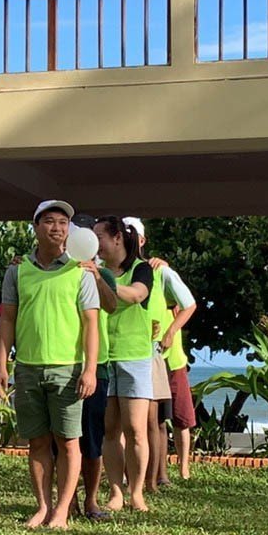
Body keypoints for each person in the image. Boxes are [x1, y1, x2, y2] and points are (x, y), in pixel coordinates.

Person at [0, 200, 101, 529]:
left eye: (63, 223)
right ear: (36, 227)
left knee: (68, 441)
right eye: (50, 221)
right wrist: (1, 365)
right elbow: (7, 320)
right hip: (28, 367)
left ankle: (62, 511)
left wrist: (90, 369)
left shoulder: (81, 271)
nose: (57, 228)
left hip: (68, 369)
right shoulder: (17, 270)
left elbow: (91, 324)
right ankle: (43, 506)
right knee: (37, 441)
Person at [124, 217, 199, 482]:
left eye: (132, 235)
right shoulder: (111, 271)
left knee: (173, 417)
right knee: (141, 420)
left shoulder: (159, 271)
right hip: (132, 355)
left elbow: (189, 305)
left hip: (167, 357)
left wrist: (170, 333)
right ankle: (143, 476)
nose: (127, 240)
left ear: (142, 240)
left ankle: (168, 474)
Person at [91, 216, 154, 513]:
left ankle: (137, 492)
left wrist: (103, 280)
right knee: (110, 430)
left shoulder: (141, 268)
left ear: (117, 238)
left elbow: (137, 294)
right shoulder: (93, 269)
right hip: (104, 355)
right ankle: (116, 491)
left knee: (136, 429)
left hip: (134, 356)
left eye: (99, 237)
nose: (95, 244)